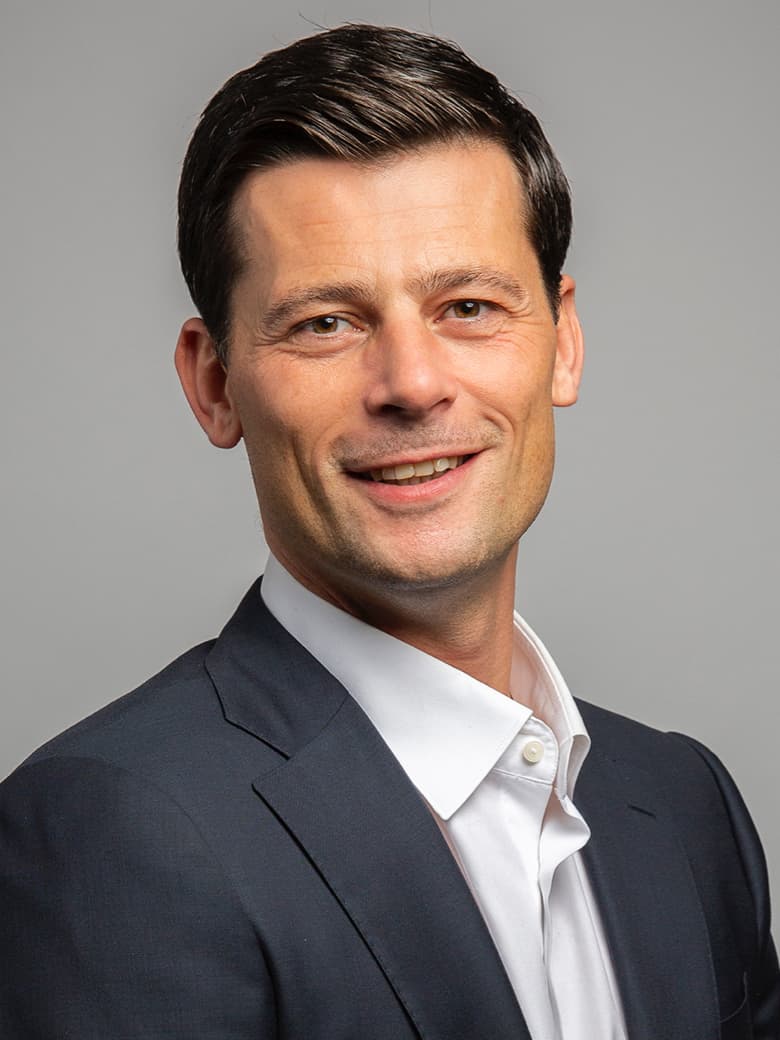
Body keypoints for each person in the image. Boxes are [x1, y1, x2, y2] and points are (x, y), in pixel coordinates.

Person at [1, 23, 777, 1040]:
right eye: (326, 321)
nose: (411, 383)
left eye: (468, 304)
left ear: (562, 341)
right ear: (214, 382)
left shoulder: (681, 804)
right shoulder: (111, 830)